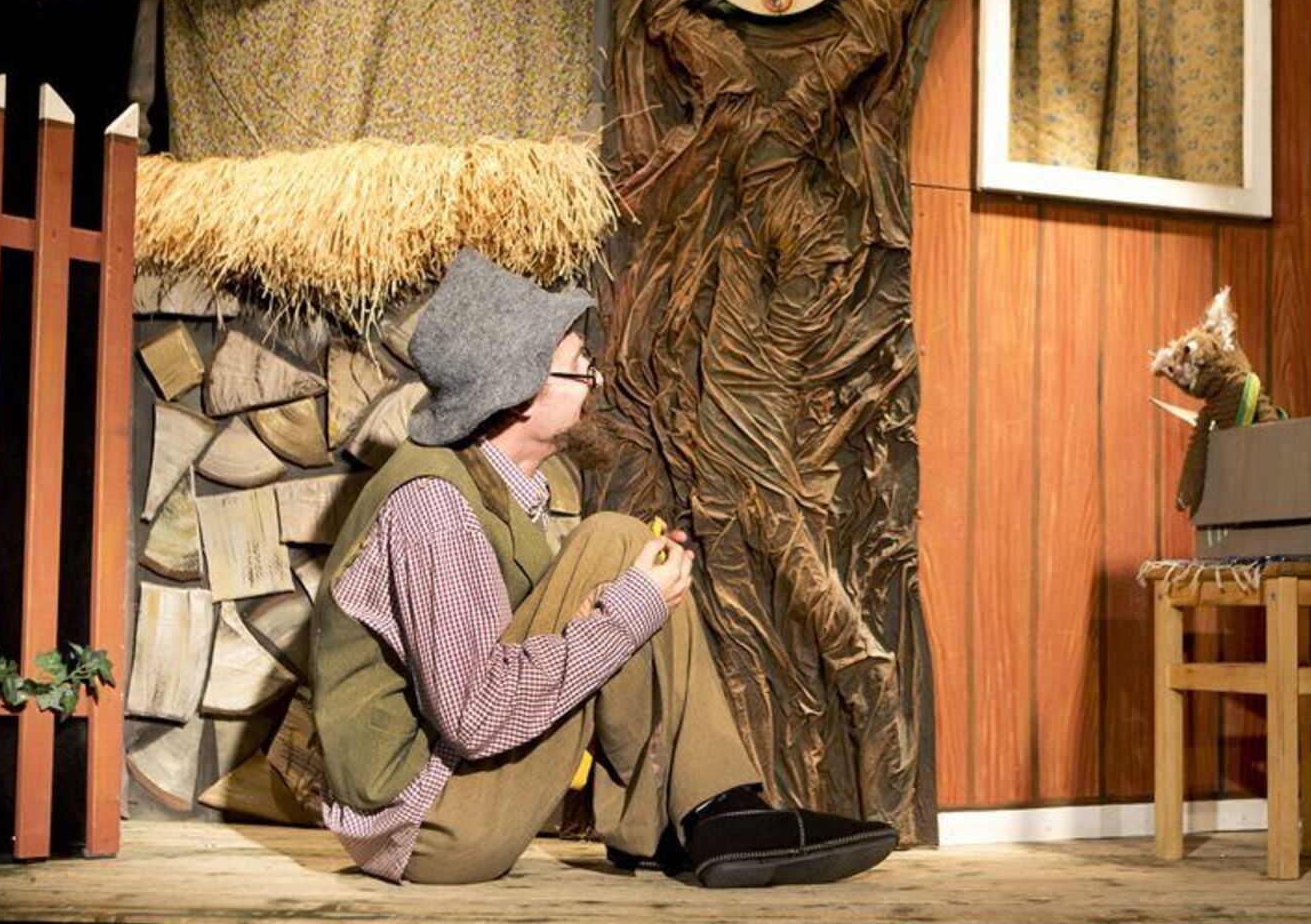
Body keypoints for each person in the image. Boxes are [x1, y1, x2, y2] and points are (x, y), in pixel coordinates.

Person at [311, 248, 898, 886]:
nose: (595, 382)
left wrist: (613, 611)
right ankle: (716, 813)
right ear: (522, 394)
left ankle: (683, 822)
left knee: (630, 561)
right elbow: (474, 715)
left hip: (448, 804)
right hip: (428, 823)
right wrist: (624, 612)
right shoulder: (436, 505)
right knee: (614, 544)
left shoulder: (488, 489)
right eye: (579, 366)